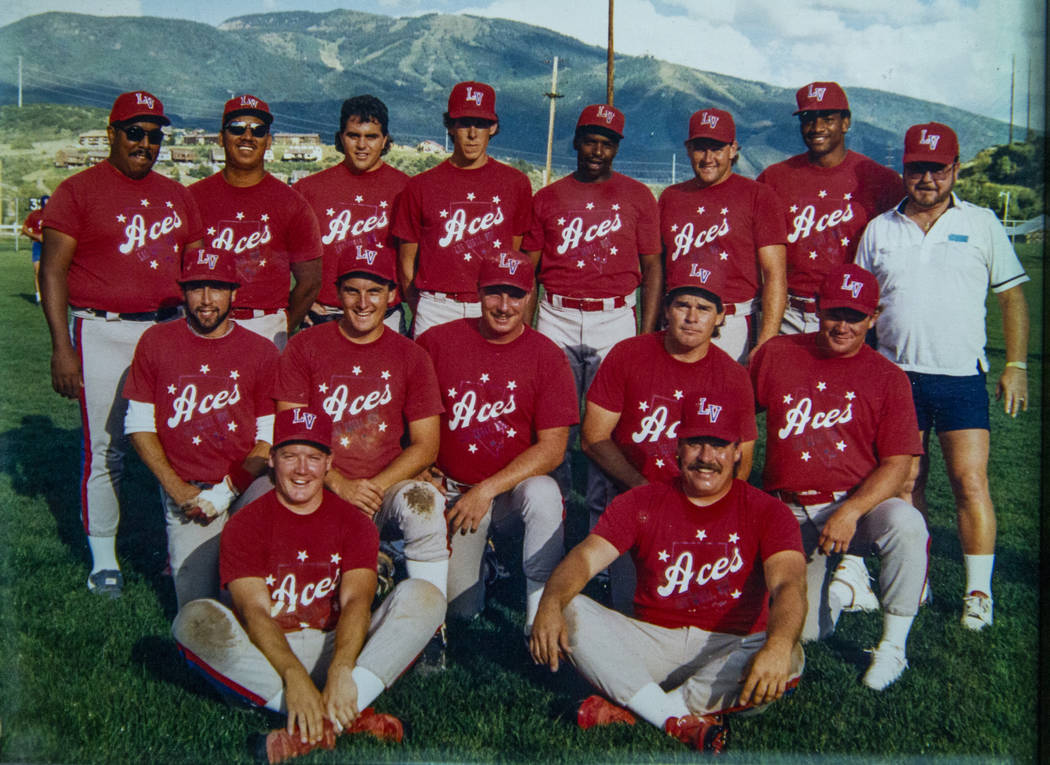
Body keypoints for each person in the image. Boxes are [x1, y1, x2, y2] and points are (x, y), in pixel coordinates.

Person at [530, 392, 806, 754]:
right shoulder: (642, 500)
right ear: (677, 448)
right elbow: (583, 559)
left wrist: (778, 645)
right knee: (567, 608)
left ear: (738, 451)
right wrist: (550, 601)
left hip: (729, 645)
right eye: (696, 444)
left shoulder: (768, 511)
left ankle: (641, 706)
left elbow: (789, 584)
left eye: (719, 445)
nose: (706, 458)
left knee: (792, 654)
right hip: (653, 639)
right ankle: (678, 716)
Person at [172, 407, 445, 764]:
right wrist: (294, 677)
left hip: (336, 644)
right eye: (290, 456)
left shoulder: (354, 522)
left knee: (426, 596)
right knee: (192, 620)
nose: (302, 469)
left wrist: (341, 669)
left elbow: (356, 603)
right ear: (271, 460)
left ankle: (313, 726)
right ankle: (340, 714)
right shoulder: (245, 524)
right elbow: (253, 612)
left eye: (313, 458)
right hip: (269, 655)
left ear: (329, 463)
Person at [856, 122, 1030, 632]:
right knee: (908, 481)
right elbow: (860, 305)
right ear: (904, 169)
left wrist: (1015, 366)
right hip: (896, 377)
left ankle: (979, 592)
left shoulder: (981, 224)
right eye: (917, 168)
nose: (927, 178)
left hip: (959, 377)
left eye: (937, 168)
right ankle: (920, 576)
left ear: (954, 169)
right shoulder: (880, 228)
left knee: (969, 481)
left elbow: (1012, 297)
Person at [40, 90, 204, 597]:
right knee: (107, 448)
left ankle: (182, 550)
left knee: (178, 444)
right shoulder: (78, 190)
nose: (146, 143)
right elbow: (51, 271)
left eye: (155, 135)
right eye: (135, 132)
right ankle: (104, 558)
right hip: (102, 327)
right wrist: (61, 346)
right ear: (112, 133)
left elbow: (197, 267)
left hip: (167, 326)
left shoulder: (177, 194)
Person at [750, 263, 929, 690]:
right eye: (834, 313)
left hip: (853, 508)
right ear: (816, 309)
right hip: (788, 508)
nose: (842, 325)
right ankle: (839, 593)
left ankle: (893, 647)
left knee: (906, 524)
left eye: (854, 316)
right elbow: (738, 420)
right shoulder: (779, 353)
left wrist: (851, 510)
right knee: (806, 631)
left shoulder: (888, 377)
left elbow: (898, 465)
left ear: (873, 317)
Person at [273, 248, 449, 599]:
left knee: (425, 500)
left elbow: (427, 444)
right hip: (319, 482)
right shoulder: (304, 346)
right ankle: (370, 563)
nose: (363, 302)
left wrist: (371, 490)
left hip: (382, 487)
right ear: (337, 293)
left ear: (392, 295)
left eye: (374, 291)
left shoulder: (411, 355)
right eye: (352, 290)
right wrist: (338, 483)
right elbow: (290, 430)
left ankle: (430, 625)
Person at [416, 253, 577, 629]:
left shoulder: (547, 355)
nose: (504, 307)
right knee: (461, 611)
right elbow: (410, 415)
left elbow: (554, 448)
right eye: (494, 294)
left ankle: (539, 614)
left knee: (544, 493)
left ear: (530, 297)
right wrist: (420, 463)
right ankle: (485, 565)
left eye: (515, 296)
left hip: (509, 495)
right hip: (456, 494)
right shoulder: (437, 342)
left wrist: (487, 489)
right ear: (478, 292)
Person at [582, 265, 757, 611]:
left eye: (704, 308)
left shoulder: (733, 377)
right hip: (633, 499)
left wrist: (695, 508)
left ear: (721, 316)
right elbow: (593, 439)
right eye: (682, 305)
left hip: (697, 508)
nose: (692, 317)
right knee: (630, 613)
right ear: (665, 309)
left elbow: (743, 462)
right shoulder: (628, 354)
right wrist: (643, 492)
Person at [521, 103, 661, 512]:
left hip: (614, 315)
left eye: (606, 143)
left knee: (610, 430)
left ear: (616, 147)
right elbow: (527, 272)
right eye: (590, 141)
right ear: (576, 142)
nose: (597, 151)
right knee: (553, 422)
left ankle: (605, 524)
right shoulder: (548, 197)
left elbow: (652, 269)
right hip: (556, 313)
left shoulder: (637, 196)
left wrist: (645, 334)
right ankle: (554, 516)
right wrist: (527, 334)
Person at [123, 249, 279, 608]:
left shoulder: (260, 350)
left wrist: (225, 492)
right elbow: (139, 424)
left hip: (247, 484)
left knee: (248, 598)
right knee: (197, 609)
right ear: (183, 293)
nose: (206, 300)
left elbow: (267, 438)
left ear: (234, 294)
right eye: (196, 289)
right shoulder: (156, 341)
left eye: (217, 289)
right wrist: (176, 489)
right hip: (188, 488)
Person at [756, 82, 902, 334]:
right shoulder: (775, 177)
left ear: (846, 122)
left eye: (828, 118)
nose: (817, 128)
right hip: (788, 312)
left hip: (848, 316)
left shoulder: (880, 178)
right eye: (808, 119)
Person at [394, 80, 533, 337]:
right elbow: (406, 266)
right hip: (437, 306)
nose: (472, 133)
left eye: (480, 124)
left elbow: (514, 252)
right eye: (464, 123)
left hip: (490, 305)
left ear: (492, 127)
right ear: (450, 126)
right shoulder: (420, 186)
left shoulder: (516, 183)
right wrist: (423, 307)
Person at [189, 94, 322, 348]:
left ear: (268, 141)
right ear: (220, 137)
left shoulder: (292, 203)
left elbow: (310, 281)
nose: (248, 136)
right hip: (204, 324)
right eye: (237, 128)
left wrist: (282, 325)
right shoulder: (192, 197)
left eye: (258, 130)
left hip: (265, 323)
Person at [658, 108, 787, 363]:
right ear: (688, 149)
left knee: (726, 400)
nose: (708, 158)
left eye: (716, 148)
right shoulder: (671, 197)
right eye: (700, 148)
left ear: (733, 149)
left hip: (732, 322)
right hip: (679, 319)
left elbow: (775, 274)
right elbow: (660, 270)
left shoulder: (758, 195)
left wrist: (767, 338)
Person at [295, 95, 411, 334]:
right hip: (324, 314)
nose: (362, 145)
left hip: (383, 313)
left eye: (371, 137)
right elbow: (279, 257)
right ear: (340, 138)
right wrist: (299, 302)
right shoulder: (308, 189)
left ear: (385, 140)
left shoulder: (407, 189)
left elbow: (417, 259)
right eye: (353, 135)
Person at [20, 194, 49, 303]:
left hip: (50, 246)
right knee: (37, 271)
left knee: (49, 272)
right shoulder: (35, 215)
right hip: (38, 245)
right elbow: (24, 229)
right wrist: (36, 236)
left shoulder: (54, 215)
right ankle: (38, 297)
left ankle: (49, 295)